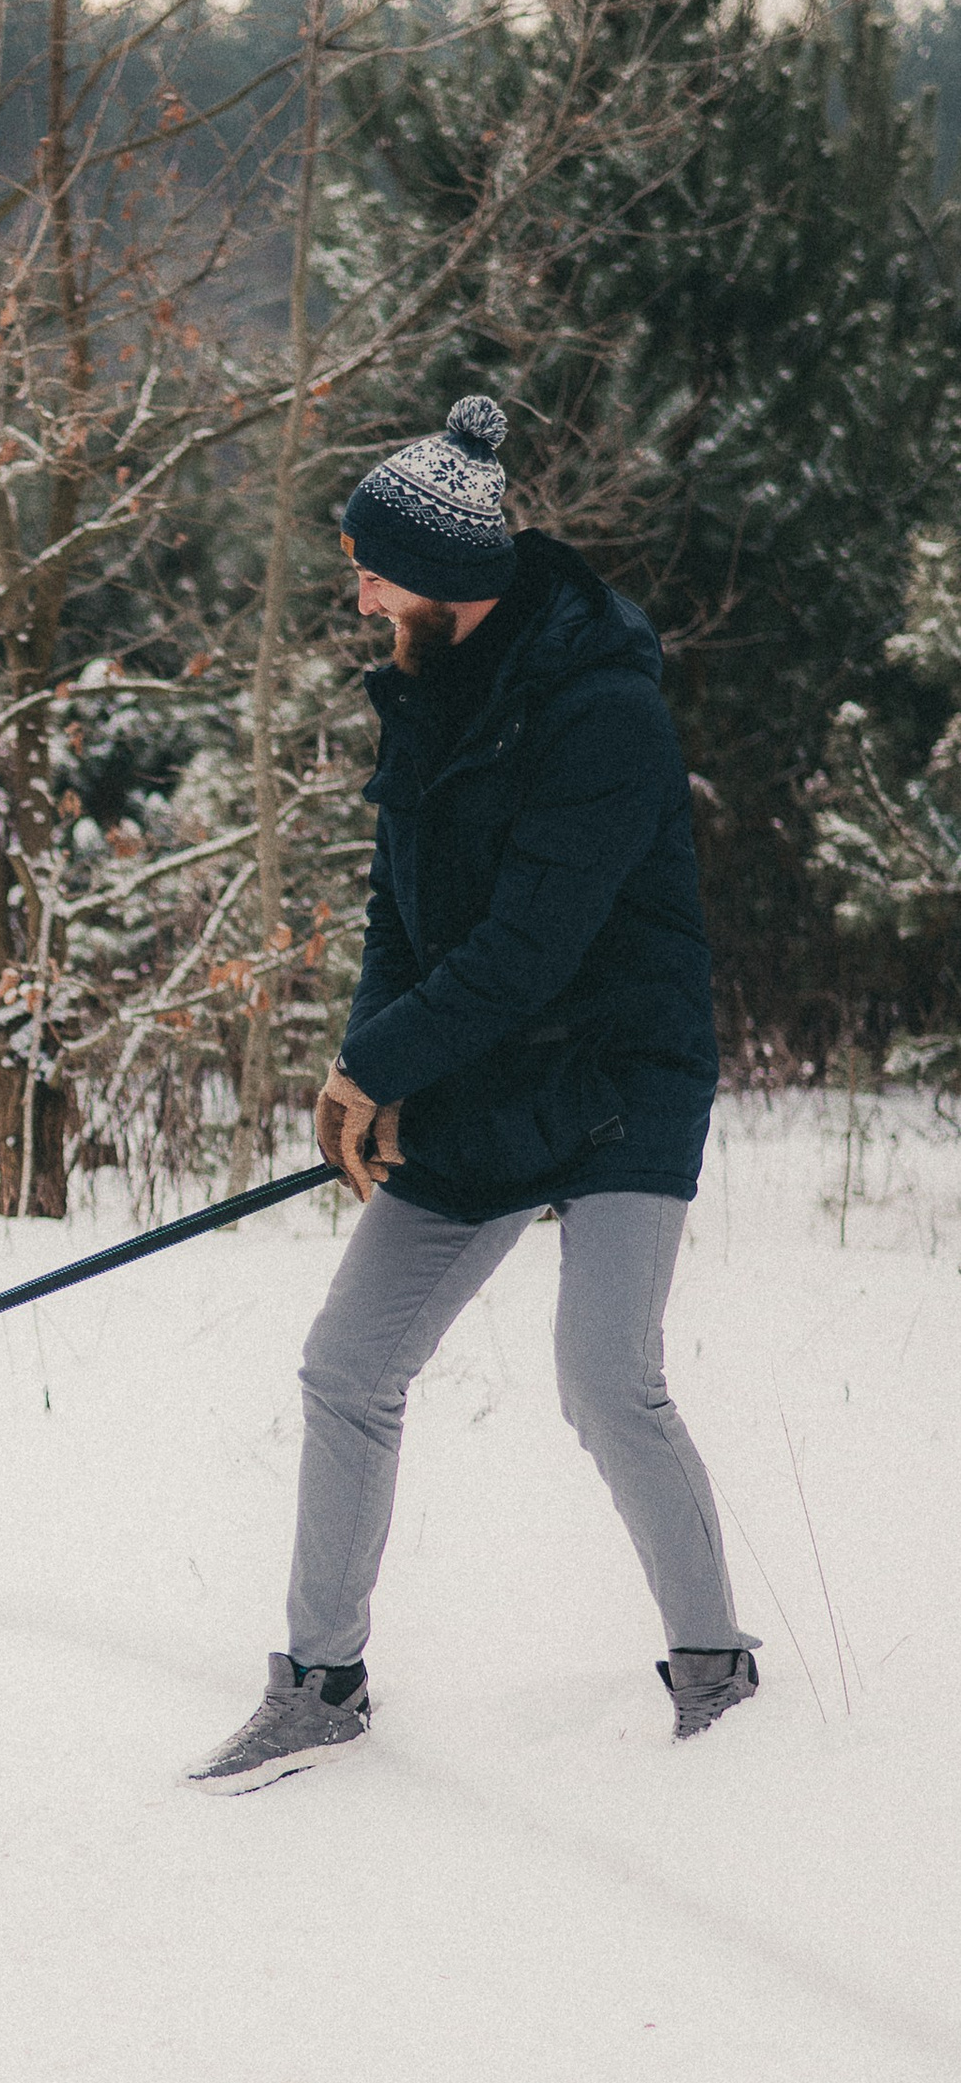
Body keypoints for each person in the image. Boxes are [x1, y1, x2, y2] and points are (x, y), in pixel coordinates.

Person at [191, 395, 754, 1793]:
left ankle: (717, 1677)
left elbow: (531, 945)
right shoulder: (424, 687)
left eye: (376, 573)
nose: (360, 596)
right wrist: (369, 1071)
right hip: (487, 1073)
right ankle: (318, 1687)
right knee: (347, 1367)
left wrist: (381, 1065)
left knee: (606, 1382)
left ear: (447, 580)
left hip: (621, 1074)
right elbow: (402, 914)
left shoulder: (606, 710)